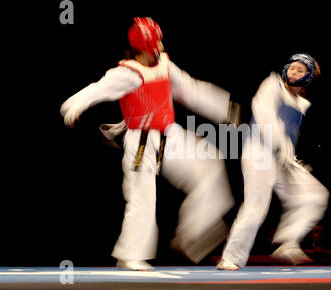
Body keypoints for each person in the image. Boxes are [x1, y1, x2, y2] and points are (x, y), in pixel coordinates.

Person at [61, 17, 239, 270]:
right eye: (157, 38)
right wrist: (74, 106)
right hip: (142, 141)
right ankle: (130, 255)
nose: (161, 43)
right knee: (142, 196)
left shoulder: (165, 66)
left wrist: (226, 110)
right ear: (146, 44)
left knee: (210, 168)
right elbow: (96, 89)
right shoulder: (126, 73)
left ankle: (192, 235)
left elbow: (191, 90)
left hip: (169, 134)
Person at [217, 53, 329, 270]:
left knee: (314, 195)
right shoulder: (272, 85)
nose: (294, 72)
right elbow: (264, 113)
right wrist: (282, 142)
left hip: (282, 158)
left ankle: (288, 241)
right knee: (256, 207)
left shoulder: (301, 103)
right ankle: (230, 257)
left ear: (307, 78)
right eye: (293, 67)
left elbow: (291, 133)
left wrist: (291, 153)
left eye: (301, 70)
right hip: (259, 153)